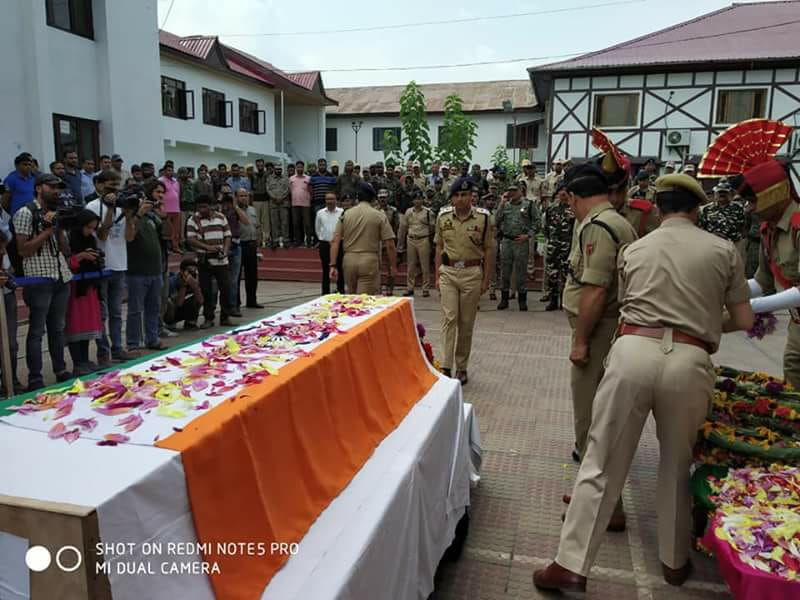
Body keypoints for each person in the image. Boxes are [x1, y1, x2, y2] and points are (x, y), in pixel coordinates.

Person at [534, 174, 754, 593]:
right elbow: (743, 319)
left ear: (658, 207)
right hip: (690, 358)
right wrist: (703, 323)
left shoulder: (635, 248)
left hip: (633, 351)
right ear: (697, 209)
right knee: (676, 462)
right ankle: (674, 561)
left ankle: (571, 564)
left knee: (601, 459)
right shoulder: (723, 250)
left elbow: (627, 303)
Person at [707, 120, 800, 388]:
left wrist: (749, 307)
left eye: (752, 200)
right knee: (793, 379)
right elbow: (762, 282)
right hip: (797, 324)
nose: (748, 208)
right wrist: (721, 293)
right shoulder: (769, 230)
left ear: (775, 194)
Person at [562, 155, 638, 468]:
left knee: (588, 403)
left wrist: (581, 341)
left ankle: (592, 470)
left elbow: (595, 289)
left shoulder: (598, 226)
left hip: (598, 330)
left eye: (568, 202)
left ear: (572, 196)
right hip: (606, 326)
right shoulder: (615, 220)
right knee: (601, 402)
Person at [13, 173, 74, 390]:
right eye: (52, 187)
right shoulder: (25, 213)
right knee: (37, 331)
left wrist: (59, 230)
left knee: (58, 328)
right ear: (39, 188)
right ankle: (35, 378)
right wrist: (48, 230)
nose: (57, 191)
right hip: (38, 278)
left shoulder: (57, 213)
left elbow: (66, 250)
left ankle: (60, 370)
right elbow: (23, 250)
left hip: (60, 275)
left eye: (59, 188)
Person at [434, 177, 494, 385]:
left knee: (466, 322)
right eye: (457, 195)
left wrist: (486, 279)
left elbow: (489, 249)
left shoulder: (483, 218)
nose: (460, 199)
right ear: (451, 198)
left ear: (472, 197)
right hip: (448, 272)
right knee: (449, 318)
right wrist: (437, 275)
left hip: (471, 273)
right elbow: (439, 246)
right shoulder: (442, 217)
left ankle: (461, 367)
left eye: (465, 195)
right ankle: (445, 366)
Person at [86, 171, 137, 364]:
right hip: (101, 266)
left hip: (120, 264)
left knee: (116, 313)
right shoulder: (92, 207)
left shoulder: (122, 206)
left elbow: (130, 238)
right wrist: (109, 209)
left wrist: (129, 216)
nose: (113, 191)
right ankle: (103, 352)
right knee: (102, 314)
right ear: (98, 185)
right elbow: (102, 236)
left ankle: (117, 348)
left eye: (116, 187)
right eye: (109, 186)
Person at [329, 182, 396, 295]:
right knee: (365, 298)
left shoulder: (346, 214)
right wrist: (393, 266)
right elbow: (390, 244)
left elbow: (335, 240)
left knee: (351, 296)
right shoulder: (379, 215)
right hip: (369, 260)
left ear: (357, 198)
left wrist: (333, 265)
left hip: (349, 260)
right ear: (373, 199)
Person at [126, 180, 168, 352]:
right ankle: (133, 343)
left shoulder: (152, 217)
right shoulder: (129, 216)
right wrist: (138, 215)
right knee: (135, 309)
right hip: (137, 270)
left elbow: (167, 235)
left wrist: (164, 216)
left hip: (155, 269)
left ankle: (152, 339)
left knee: (154, 308)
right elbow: (129, 237)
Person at [65, 209, 104, 376]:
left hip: (89, 288)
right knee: (76, 325)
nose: (90, 231)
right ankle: (78, 362)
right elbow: (64, 263)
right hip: (75, 289)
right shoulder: (68, 239)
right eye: (88, 227)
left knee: (87, 325)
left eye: (93, 228)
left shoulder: (91, 239)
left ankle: (86, 360)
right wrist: (80, 257)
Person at [186, 194, 234, 329]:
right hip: (204, 260)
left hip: (221, 261)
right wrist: (207, 248)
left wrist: (225, 250)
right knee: (207, 290)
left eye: (205, 207)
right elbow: (191, 239)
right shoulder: (193, 220)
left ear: (211, 206)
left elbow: (228, 235)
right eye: (199, 207)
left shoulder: (221, 217)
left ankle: (225, 316)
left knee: (226, 288)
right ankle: (208, 318)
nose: (202, 209)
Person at [494, 183, 538, 311]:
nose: (511, 193)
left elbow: (537, 222)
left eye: (514, 190)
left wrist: (528, 235)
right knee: (505, 271)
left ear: (521, 191)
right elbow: (496, 220)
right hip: (507, 241)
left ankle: (522, 299)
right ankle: (504, 299)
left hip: (521, 241)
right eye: (509, 190)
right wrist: (501, 204)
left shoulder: (529, 205)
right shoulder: (505, 205)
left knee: (521, 271)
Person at [542, 183, 575, 311]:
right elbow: (546, 227)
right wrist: (551, 240)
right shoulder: (551, 209)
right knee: (552, 274)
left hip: (568, 246)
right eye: (561, 191)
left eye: (565, 191)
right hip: (554, 246)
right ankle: (553, 300)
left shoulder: (574, 208)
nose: (563, 193)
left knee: (567, 275)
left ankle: (565, 301)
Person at [222, 189, 252, 317]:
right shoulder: (218, 212)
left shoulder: (236, 210)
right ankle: (224, 307)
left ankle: (233, 306)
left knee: (234, 279)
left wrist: (235, 206)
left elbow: (246, 222)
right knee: (223, 280)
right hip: (223, 245)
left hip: (236, 244)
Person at [401, 188, 435, 297]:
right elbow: (405, 226)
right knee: (411, 266)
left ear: (423, 200)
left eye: (420, 199)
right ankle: (410, 287)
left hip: (423, 239)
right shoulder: (408, 212)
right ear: (413, 200)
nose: (417, 201)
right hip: (411, 239)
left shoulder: (428, 212)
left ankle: (425, 288)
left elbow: (432, 228)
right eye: (416, 199)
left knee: (425, 265)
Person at [698, 179, 746, 244]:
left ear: (730, 193)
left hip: (733, 242)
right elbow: (702, 227)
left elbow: (743, 225)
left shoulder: (738, 207)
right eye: (720, 192)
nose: (722, 194)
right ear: (716, 193)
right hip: (712, 242)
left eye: (725, 192)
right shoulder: (707, 209)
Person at [315, 191, 344, 295]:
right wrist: (323, 239)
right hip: (325, 244)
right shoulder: (320, 213)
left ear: (336, 200)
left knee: (340, 268)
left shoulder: (342, 212)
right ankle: (325, 293)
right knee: (325, 269)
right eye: (327, 199)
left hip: (339, 244)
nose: (329, 201)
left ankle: (341, 291)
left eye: (332, 199)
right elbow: (318, 229)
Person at [237, 190, 262, 308]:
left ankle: (252, 301)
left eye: (245, 196)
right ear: (236, 198)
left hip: (252, 244)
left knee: (252, 275)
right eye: (241, 196)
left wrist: (258, 245)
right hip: (239, 244)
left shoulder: (252, 210)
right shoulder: (234, 211)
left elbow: (256, 227)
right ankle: (235, 303)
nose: (244, 198)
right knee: (236, 276)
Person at [164, 259, 203, 331]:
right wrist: (184, 285)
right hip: (172, 310)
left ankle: (190, 322)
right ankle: (170, 323)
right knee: (169, 303)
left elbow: (201, 301)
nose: (192, 274)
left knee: (196, 298)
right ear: (181, 271)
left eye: (194, 271)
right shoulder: (173, 281)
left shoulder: (196, 279)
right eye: (189, 271)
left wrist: (195, 287)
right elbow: (178, 304)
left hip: (182, 307)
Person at [377, 189, 401, 294]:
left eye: (384, 197)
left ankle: (389, 287)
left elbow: (396, 225)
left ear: (388, 198)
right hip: (377, 241)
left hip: (389, 240)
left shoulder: (393, 210)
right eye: (381, 197)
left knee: (390, 266)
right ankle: (377, 287)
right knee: (376, 266)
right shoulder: (374, 210)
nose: (383, 200)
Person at [158, 163, 181, 252]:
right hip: (165, 209)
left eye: (171, 170)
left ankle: (175, 247)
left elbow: (178, 194)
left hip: (176, 209)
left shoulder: (176, 181)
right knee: (167, 230)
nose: (170, 172)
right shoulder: (160, 180)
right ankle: (166, 248)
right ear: (164, 171)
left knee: (176, 230)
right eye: (168, 170)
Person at [289, 161, 313, 247]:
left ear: (303, 168)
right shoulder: (291, 178)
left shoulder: (308, 178)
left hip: (306, 204)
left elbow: (311, 191)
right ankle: (298, 241)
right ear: (296, 168)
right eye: (298, 167)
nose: (300, 168)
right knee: (296, 223)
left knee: (307, 224)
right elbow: (290, 190)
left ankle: (309, 241)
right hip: (295, 204)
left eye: (301, 167)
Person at [267, 163, 290, 249]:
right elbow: (268, 189)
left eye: (280, 169)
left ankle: (285, 240)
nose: (278, 170)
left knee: (285, 222)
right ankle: (275, 241)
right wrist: (275, 198)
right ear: (274, 169)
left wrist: (281, 198)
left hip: (283, 203)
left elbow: (287, 189)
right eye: (277, 169)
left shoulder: (286, 178)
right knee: (274, 223)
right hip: (273, 203)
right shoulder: (269, 178)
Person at [251, 158, 270, 247]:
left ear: (263, 165)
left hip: (265, 200)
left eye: (261, 165)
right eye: (258, 165)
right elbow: (251, 188)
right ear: (256, 165)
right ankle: (258, 240)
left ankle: (267, 239)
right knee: (257, 221)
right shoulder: (253, 175)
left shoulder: (268, 174)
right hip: (256, 200)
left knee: (265, 221)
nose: (260, 166)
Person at [177, 167, 195, 246]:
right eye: (182, 173)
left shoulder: (191, 183)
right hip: (181, 207)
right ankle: (182, 244)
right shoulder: (176, 183)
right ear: (179, 174)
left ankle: (190, 244)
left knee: (190, 227)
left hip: (191, 207)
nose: (184, 175)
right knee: (182, 228)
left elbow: (194, 195)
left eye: (186, 173)